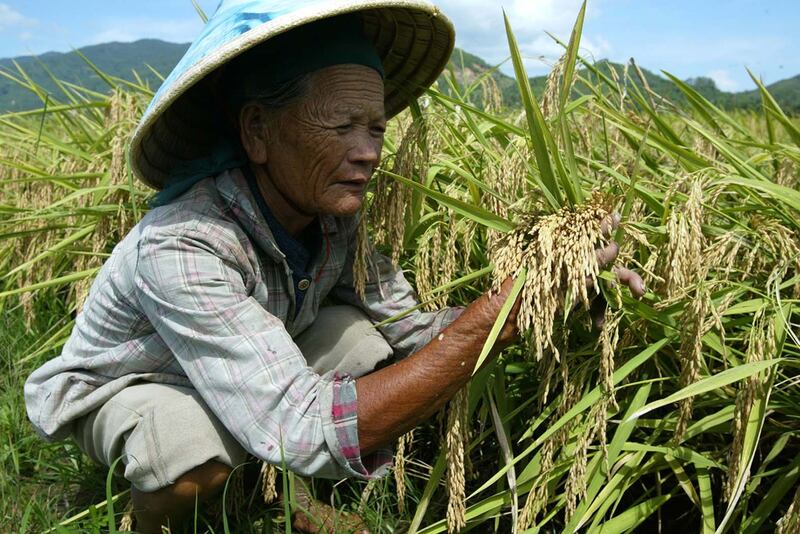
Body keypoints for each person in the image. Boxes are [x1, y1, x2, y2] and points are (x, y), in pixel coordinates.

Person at [24, 1, 644, 532]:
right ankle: (157, 520)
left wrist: (538, 296)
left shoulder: (331, 219)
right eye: (342, 125)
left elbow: (410, 331)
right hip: (143, 386)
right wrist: (494, 319)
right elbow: (299, 422)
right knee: (187, 454)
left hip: (249, 365)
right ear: (258, 131)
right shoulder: (184, 245)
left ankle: (290, 498)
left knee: (364, 345)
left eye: (375, 128)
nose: (369, 152)